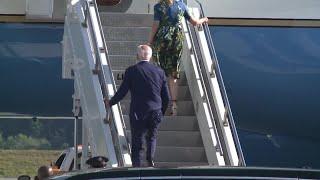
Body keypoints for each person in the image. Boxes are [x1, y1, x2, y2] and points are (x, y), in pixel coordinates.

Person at [106, 45, 170, 167]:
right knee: (152, 137)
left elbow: (123, 91)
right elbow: (166, 97)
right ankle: (150, 160)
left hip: (138, 112)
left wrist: (111, 102)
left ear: (137, 55)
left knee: (137, 139)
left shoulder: (132, 71)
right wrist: (161, 112)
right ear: (150, 57)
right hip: (156, 110)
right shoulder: (160, 72)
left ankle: (137, 166)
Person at [148, 0, 208, 115]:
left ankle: (158, 103)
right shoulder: (181, 5)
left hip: (162, 40)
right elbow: (194, 22)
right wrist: (204, 19)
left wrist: (149, 42)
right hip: (176, 40)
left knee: (159, 70)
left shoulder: (158, 7)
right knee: (173, 72)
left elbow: (155, 25)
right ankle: (174, 105)